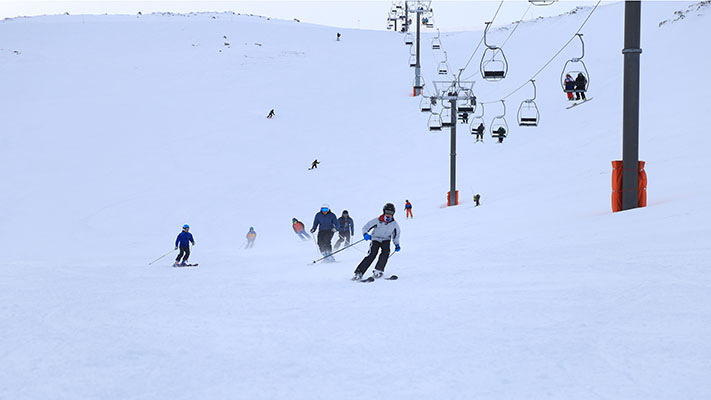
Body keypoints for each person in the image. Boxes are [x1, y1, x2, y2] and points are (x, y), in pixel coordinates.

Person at [352, 203, 401, 281]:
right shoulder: (377, 220)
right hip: (375, 239)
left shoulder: (394, 224)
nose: (388, 215)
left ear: (393, 213)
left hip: (386, 240)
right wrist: (365, 234)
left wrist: (397, 244)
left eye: (391, 213)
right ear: (384, 212)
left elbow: (396, 235)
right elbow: (366, 227)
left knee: (385, 253)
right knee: (372, 254)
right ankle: (359, 272)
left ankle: (378, 270)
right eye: (387, 212)